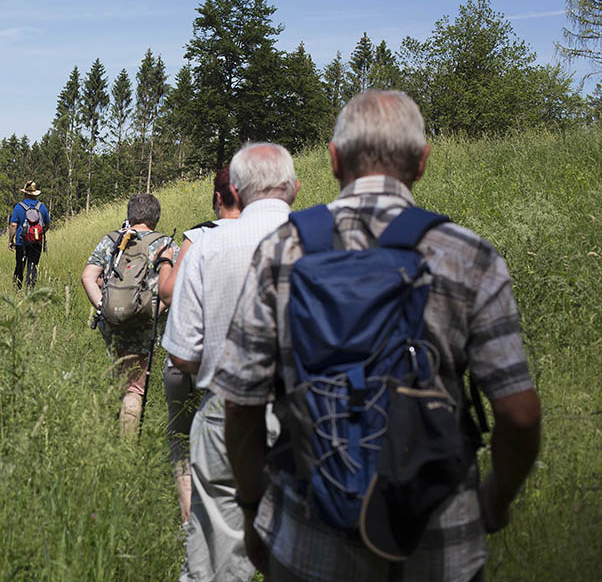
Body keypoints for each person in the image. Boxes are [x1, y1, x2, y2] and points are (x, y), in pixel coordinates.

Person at [215, 90, 542, 581]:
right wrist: (494, 501)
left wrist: (251, 511)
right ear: (423, 162)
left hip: (307, 539)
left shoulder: (282, 249)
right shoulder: (468, 255)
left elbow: (240, 406)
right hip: (438, 548)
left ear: (333, 159)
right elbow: (519, 414)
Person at [163, 143, 299, 581]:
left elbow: (181, 354)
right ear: (294, 188)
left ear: (235, 191)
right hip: (310, 416)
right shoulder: (325, 241)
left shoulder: (207, 245)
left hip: (224, 412)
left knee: (213, 564)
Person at [158, 166, 244, 526]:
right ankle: (225, 518)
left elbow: (168, 291)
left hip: (185, 354)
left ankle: (186, 519)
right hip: (231, 360)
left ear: (217, 198)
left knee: (181, 435)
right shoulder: (261, 237)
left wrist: (165, 261)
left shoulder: (199, 236)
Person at [82, 193, 178, 436]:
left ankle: (112, 431)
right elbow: (172, 290)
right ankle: (127, 449)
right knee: (134, 389)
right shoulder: (166, 245)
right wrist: (153, 312)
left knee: (120, 378)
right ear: (156, 218)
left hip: (113, 323)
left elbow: (88, 277)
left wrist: (104, 307)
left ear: (130, 215)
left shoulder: (112, 240)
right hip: (145, 326)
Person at [8, 181, 50, 290]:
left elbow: (13, 226)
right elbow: (47, 224)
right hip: (36, 242)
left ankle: (17, 290)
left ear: (25, 193)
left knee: (19, 266)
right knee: (33, 266)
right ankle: (30, 290)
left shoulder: (18, 207)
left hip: (21, 242)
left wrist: (10, 240)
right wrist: (40, 233)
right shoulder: (42, 207)